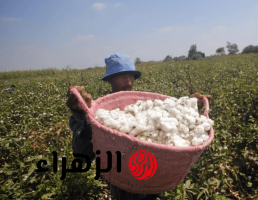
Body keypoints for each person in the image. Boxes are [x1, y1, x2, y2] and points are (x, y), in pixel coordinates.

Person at [66, 52, 211, 200]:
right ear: (110, 80)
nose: (128, 81)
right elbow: (83, 155)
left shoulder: (145, 107)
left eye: (131, 76)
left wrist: (189, 104)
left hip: (154, 182)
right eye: (122, 76)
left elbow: (170, 116)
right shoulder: (101, 114)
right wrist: (83, 117)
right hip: (123, 186)